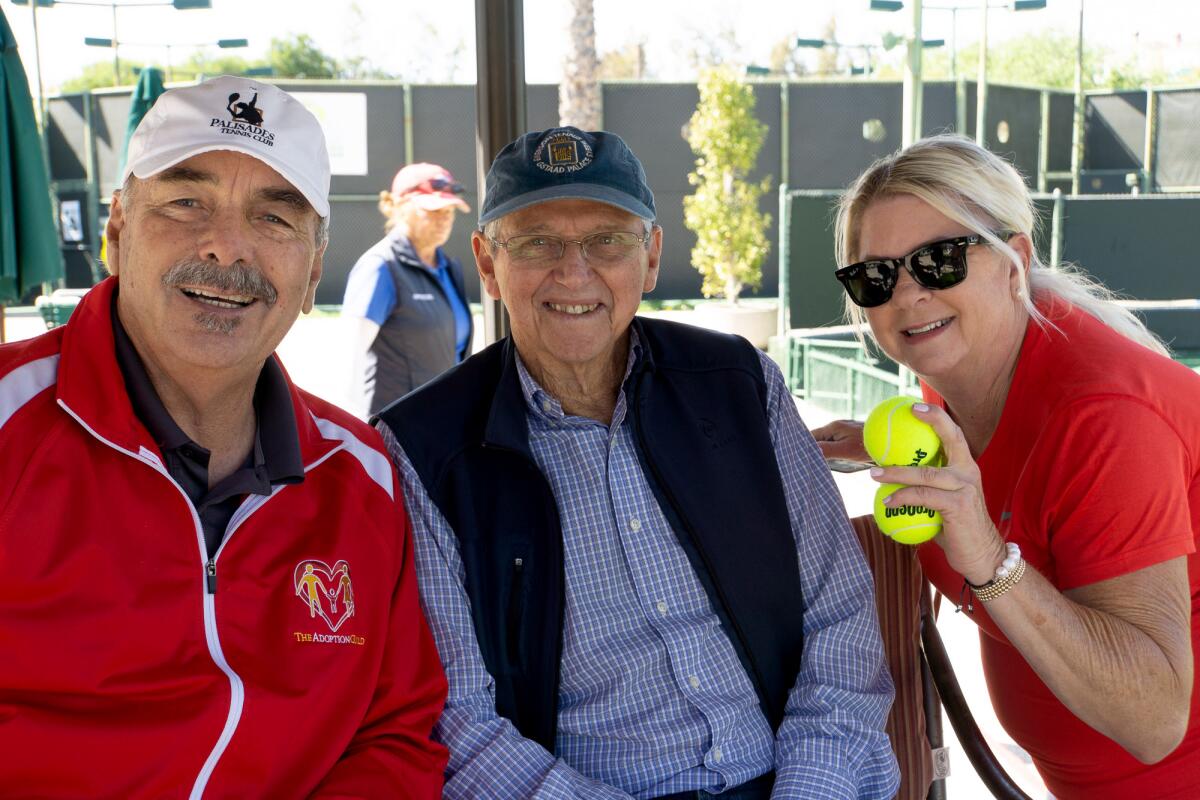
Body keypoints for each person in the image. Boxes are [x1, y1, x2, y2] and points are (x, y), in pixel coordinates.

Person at [374, 126, 900, 799]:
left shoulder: (739, 384)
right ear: (487, 263)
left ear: (650, 256)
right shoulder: (422, 450)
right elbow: (460, 724)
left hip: (802, 780)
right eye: (538, 241)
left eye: (607, 239)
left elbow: (841, 625)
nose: (574, 270)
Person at [0, 76, 447, 797]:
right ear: (116, 230)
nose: (226, 247)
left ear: (312, 273)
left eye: (275, 218)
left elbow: (394, 732)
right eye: (186, 202)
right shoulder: (9, 422)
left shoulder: (361, 477)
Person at [815, 134, 1199, 799]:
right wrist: (889, 448)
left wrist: (990, 559)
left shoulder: (1104, 416)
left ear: (1013, 258)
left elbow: (1154, 719)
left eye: (938, 262)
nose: (907, 296)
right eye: (876, 276)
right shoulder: (959, 377)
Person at [343, 162, 474, 416]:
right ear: (401, 208)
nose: (444, 218)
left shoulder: (448, 267)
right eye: (434, 210)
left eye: (449, 210)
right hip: (395, 430)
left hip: (440, 422)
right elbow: (350, 357)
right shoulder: (380, 267)